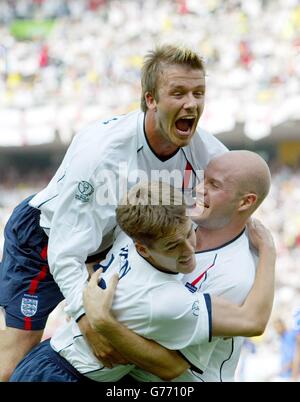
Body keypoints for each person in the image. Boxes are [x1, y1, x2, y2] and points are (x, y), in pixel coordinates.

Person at [0, 44, 227, 381]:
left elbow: (238, 207)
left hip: (115, 248)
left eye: (199, 93)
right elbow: (66, 251)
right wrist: (88, 322)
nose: (191, 103)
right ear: (150, 99)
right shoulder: (102, 155)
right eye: (178, 93)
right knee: (13, 360)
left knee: (121, 363)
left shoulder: (208, 154)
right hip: (47, 239)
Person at [10, 180, 275, 382]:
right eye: (173, 246)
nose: (188, 249)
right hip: (65, 375)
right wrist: (268, 251)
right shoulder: (168, 301)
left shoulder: (132, 234)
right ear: (144, 249)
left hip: (52, 357)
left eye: (188, 233)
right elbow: (252, 321)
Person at [82, 150, 275, 382]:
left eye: (213, 185)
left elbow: (170, 366)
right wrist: (83, 315)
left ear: (246, 201)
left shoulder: (234, 274)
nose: (199, 189)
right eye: (203, 179)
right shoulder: (172, 221)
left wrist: (102, 323)